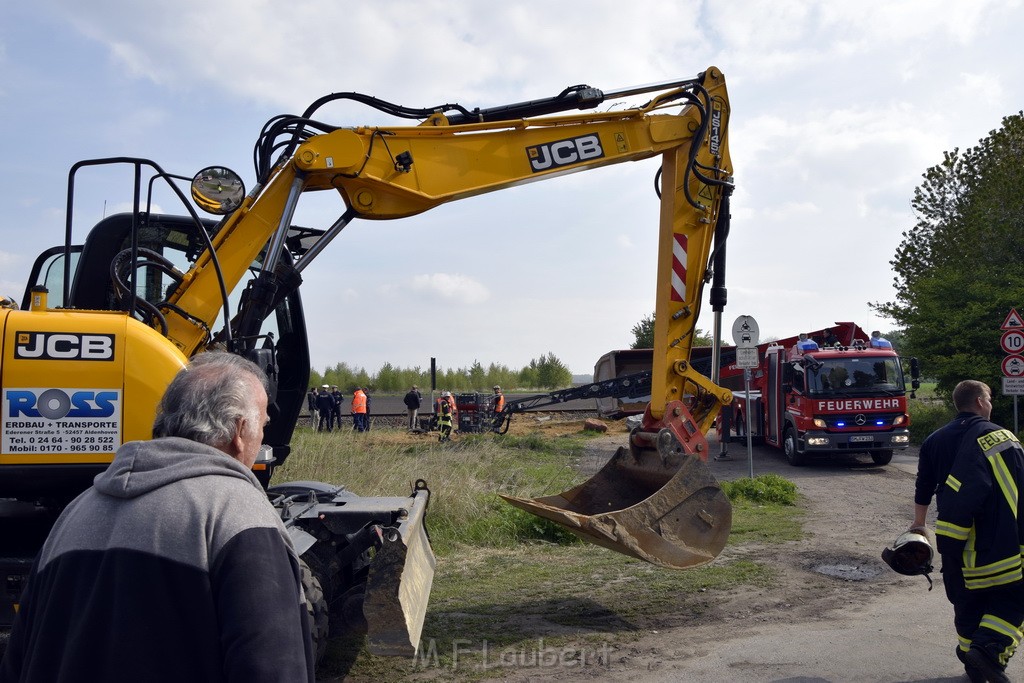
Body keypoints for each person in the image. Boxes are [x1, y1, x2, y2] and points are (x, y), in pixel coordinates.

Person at [0, 352, 314, 682]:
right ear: (239, 430)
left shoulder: (74, 514)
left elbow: (17, 663)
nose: (262, 437)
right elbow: (272, 667)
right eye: (262, 425)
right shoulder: (238, 514)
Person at [912, 379, 1024, 683]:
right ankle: (987, 650)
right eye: (988, 398)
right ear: (979, 402)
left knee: (966, 602)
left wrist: (919, 525)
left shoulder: (934, 440)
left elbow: (924, 486)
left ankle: (972, 662)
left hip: (954, 541)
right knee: (1012, 599)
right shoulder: (1002, 438)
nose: (991, 404)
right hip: (998, 542)